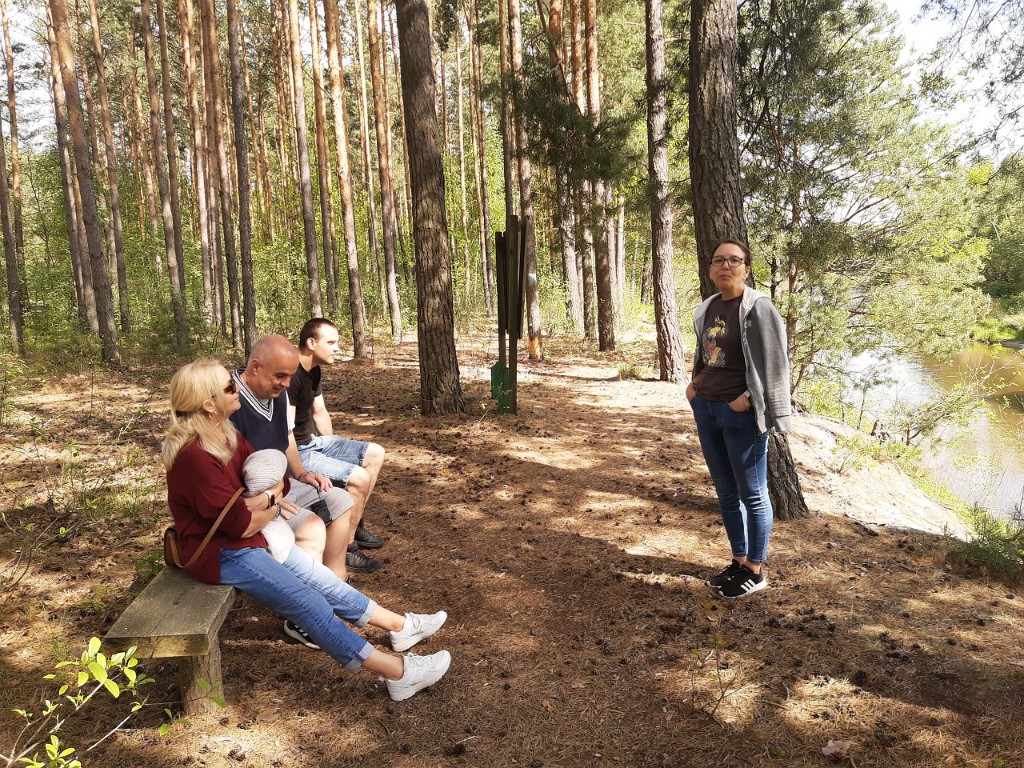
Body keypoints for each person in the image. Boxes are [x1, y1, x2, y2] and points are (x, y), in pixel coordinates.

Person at [162, 359, 451, 701]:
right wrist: (269, 503)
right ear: (208, 404)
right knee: (308, 603)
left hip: (252, 539)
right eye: (229, 386)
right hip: (222, 554)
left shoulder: (225, 434)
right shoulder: (195, 455)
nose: (237, 387)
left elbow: (278, 478)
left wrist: (264, 499)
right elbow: (239, 523)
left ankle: (400, 627)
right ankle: (398, 673)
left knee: (323, 579)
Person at [230, 334, 358, 646]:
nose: (287, 384)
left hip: (283, 482)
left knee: (340, 499)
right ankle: (305, 617)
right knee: (311, 526)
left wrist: (301, 472)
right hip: (254, 495)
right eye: (280, 376)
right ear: (255, 367)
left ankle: (336, 585)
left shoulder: (277, 393)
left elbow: (287, 435)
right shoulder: (230, 399)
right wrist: (269, 496)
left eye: (289, 376)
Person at [685, 238, 792, 599]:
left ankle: (755, 570)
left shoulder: (758, 307)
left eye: (734, 260)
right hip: (707, 408)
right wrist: (694, 385)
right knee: (726, 491)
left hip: (740, 414)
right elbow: (707, 354)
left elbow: (777, 363)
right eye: (719, 260)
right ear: (711, 269)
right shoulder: (709, 307)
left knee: (753, 494)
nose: (725, 266)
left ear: (746, 269)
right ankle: (738, 560)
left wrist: (748, 400)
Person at [290, 318, 386, 572]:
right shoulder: (290, 374)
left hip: (313, 443)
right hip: (296, 451)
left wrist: (334, 452)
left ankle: (354, 524)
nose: (337, 348)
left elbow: (319, 412)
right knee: (358, 478)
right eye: (331, 342)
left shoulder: (313, 370)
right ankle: (346, 548)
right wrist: (298, 470)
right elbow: (285, 432)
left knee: (375, 453)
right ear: (311, 343)